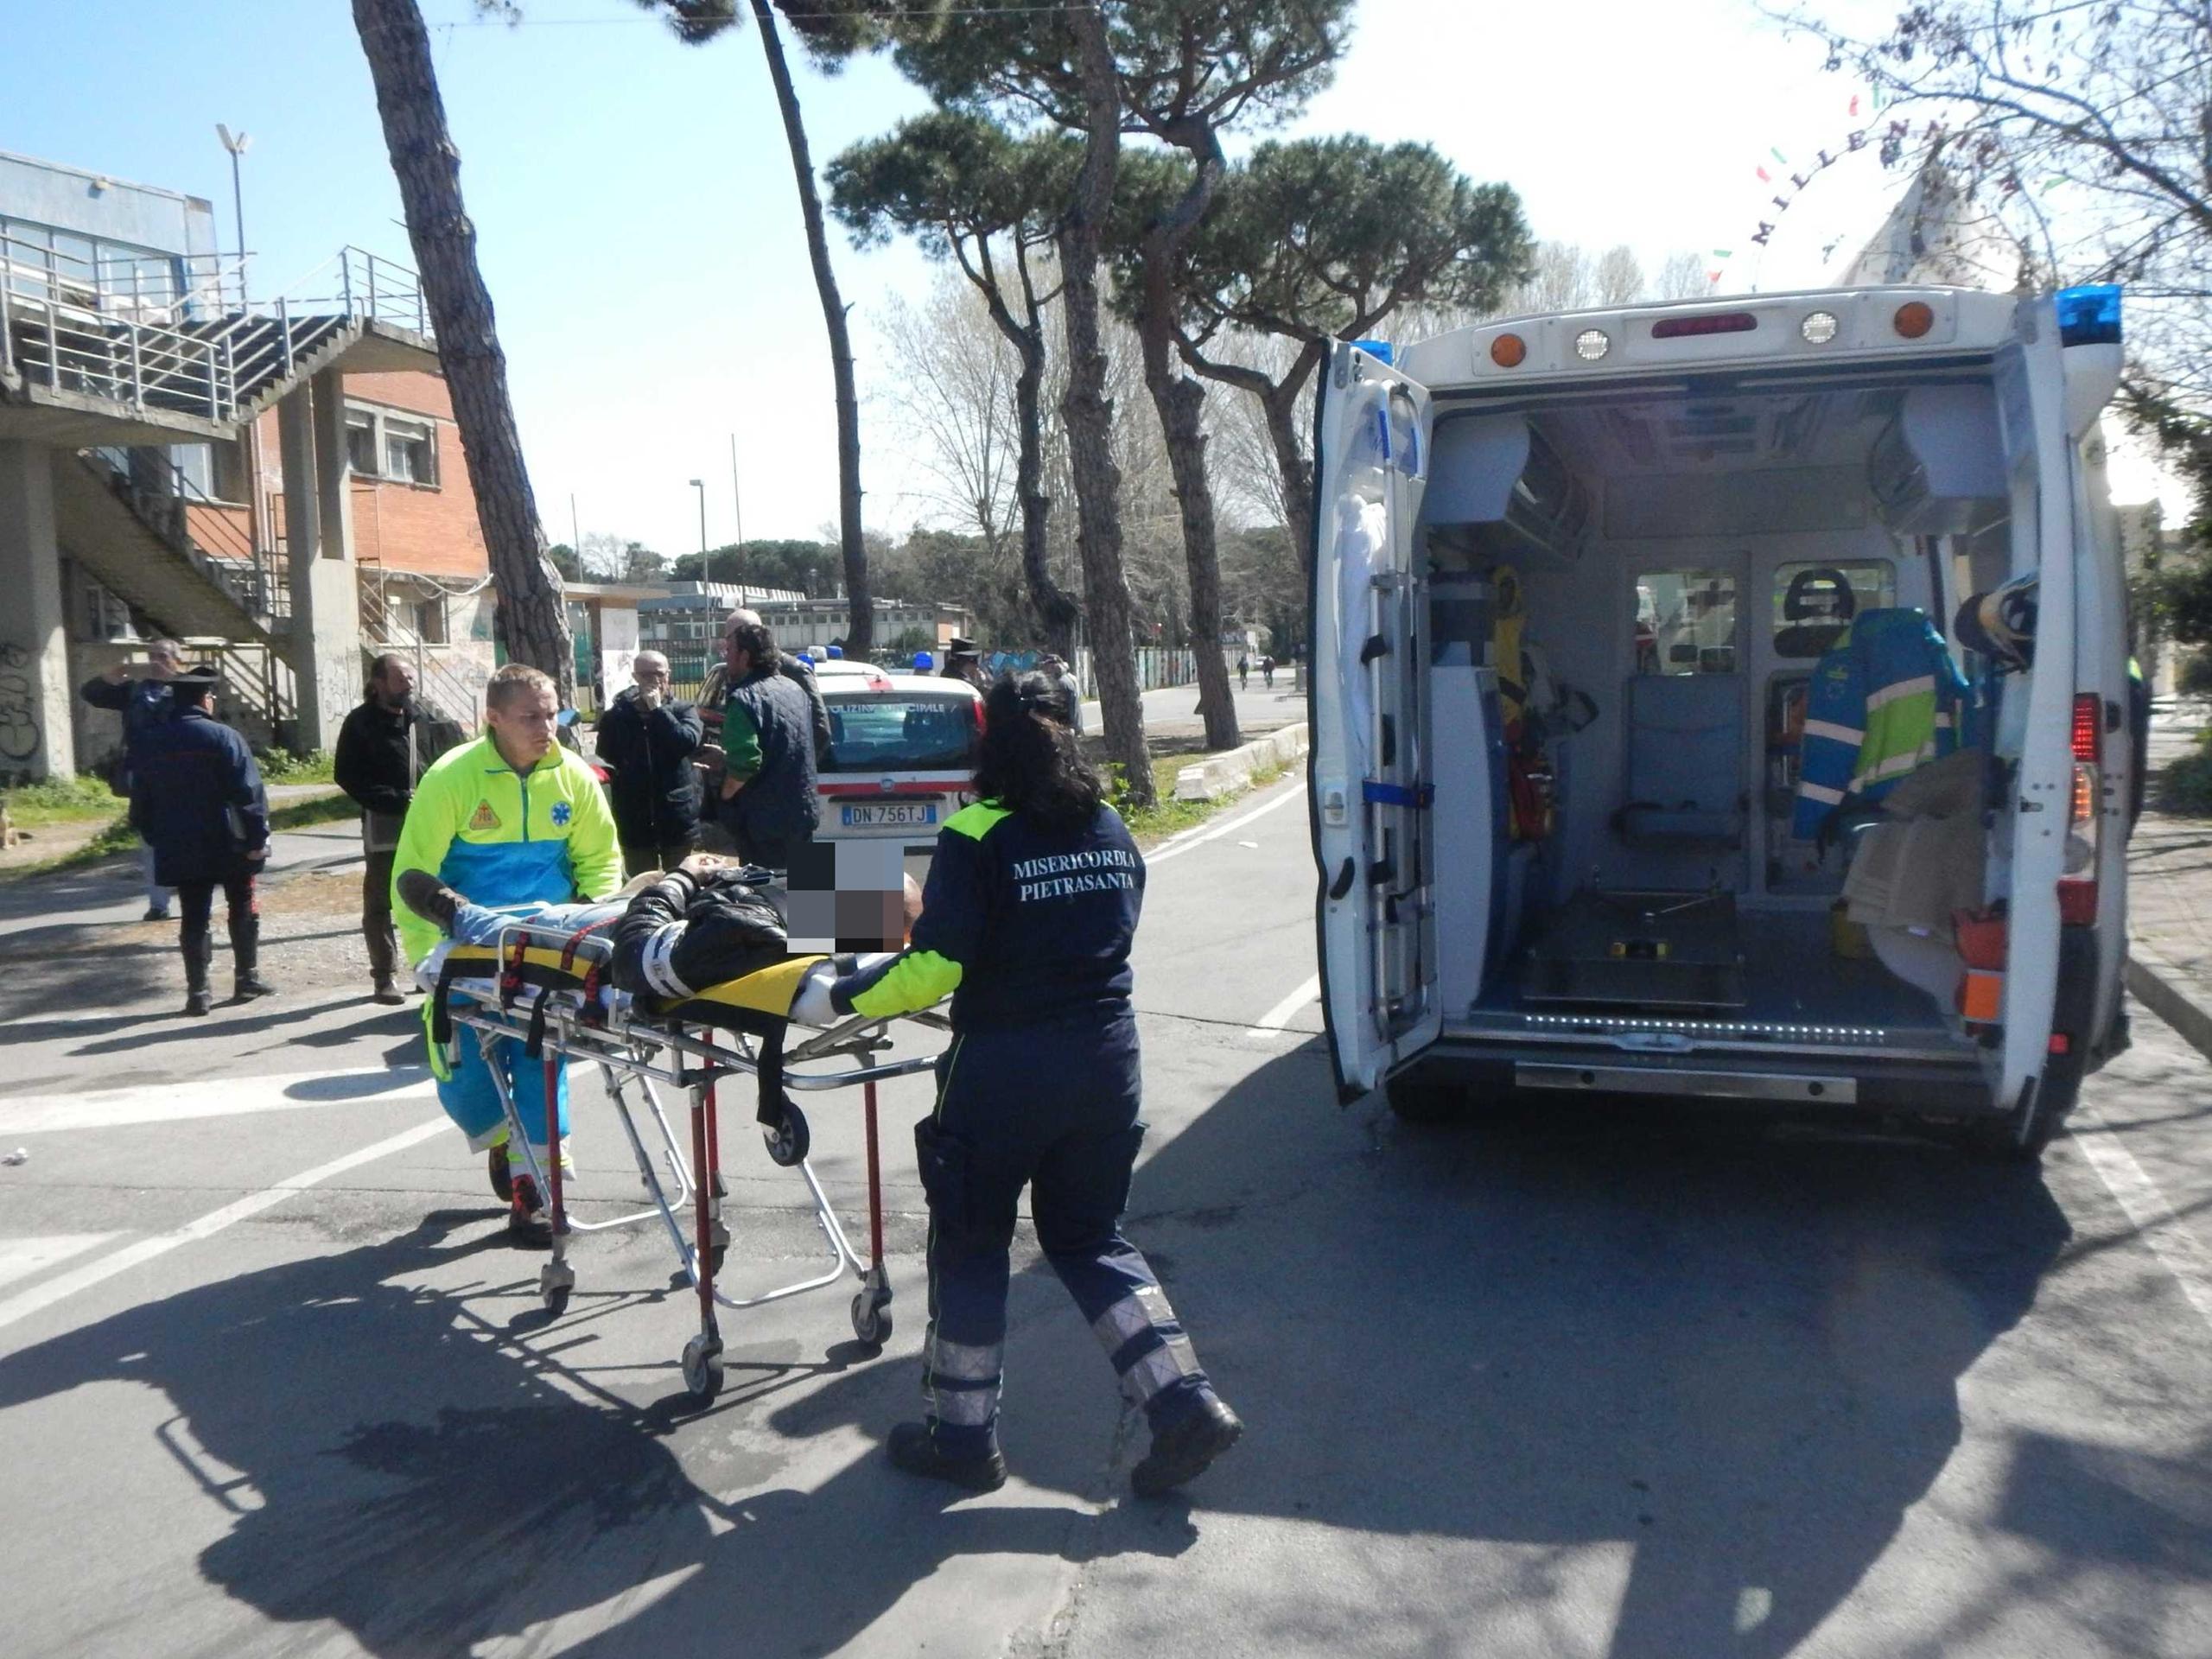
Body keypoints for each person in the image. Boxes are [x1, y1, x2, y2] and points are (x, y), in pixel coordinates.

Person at [809, 671, 1242, 1497]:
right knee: (1088, 1238)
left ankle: (962, 1440)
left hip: (1006, 1071)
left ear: (987, 742)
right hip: (1107, 1063)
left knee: (972, 1243)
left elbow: (935, 964)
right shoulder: (1110, 825)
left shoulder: (977, 832)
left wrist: (843, 995)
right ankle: (1185, 1405)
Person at [392, 663, 622, 1244]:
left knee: (541, 1060)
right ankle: (502, 1138)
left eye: (554, 715)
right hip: (466, 947)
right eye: (531, 717)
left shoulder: (573, 776)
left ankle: (539, 1189)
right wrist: (425, 959)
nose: (547, 727)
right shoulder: (453, 778)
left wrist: (593, 928)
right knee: (466, 1079)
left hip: (546, 947)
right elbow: (411, 872)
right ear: (492, 719)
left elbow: (601, 860)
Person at [131, 665, 271, 1017]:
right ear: (205, 699)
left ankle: (198, 992)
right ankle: (246, 978)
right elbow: (249, 793)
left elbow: (141, 803)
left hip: (179, 844)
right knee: (242, 903)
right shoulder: (225, 737)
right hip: (229, 842)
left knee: (194, 915)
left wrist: (155, 836)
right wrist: (257, 838)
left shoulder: (151, 742)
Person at [334, 653, 434, 1006]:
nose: (409, 683)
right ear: (378, 684)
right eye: (399, 677)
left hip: (430, 823)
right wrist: (393, 800)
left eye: (410, 676)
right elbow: (347, 775)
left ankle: (428, 969)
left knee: (431, 898)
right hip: (385, 824)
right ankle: (384, 977)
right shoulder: (360, 723)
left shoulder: (425, 718)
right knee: (380, 903)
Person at [694, 613, 821, 870]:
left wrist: (727, 794)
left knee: (765, 901)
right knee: (808, 898)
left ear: (745, 656)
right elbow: (786, 745)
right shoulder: (793, 688)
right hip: (802, 813)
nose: (726, 657)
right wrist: (727, 759)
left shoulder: (744, 699)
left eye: (729, 650)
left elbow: (747, 761)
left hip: (764, 825)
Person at [79, 638, 183, 921]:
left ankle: (192, 901)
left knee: (185, 837)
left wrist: (175, 680)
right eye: (151, 656)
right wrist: (113, 675)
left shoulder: (186, 688)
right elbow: (90, 693)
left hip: (180, 775)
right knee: (149, 839)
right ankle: (158, 905)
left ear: (176, 660)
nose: (155, 661)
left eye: (162, 656)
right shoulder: (133, 692)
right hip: (143, 774)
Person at [594, 650, 704, 878]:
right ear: (635, 677)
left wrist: (658, 712)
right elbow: (605, 751)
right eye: (646, 676)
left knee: (683, 880)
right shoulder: (618, 715)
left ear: (668, 675)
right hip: (636, 818)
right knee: (640, 885)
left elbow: (686, 742)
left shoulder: (684, 710)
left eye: (659, 674)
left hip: (676, 816)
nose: (653, 681)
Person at [1038, 652, 1084, 736]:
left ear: (1052, 666)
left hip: (1067, 728)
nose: (1043, 670)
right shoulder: (1066, 679)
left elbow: (1058, 707)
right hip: (1072, 726)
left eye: (1044, 666)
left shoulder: (1060, 683)